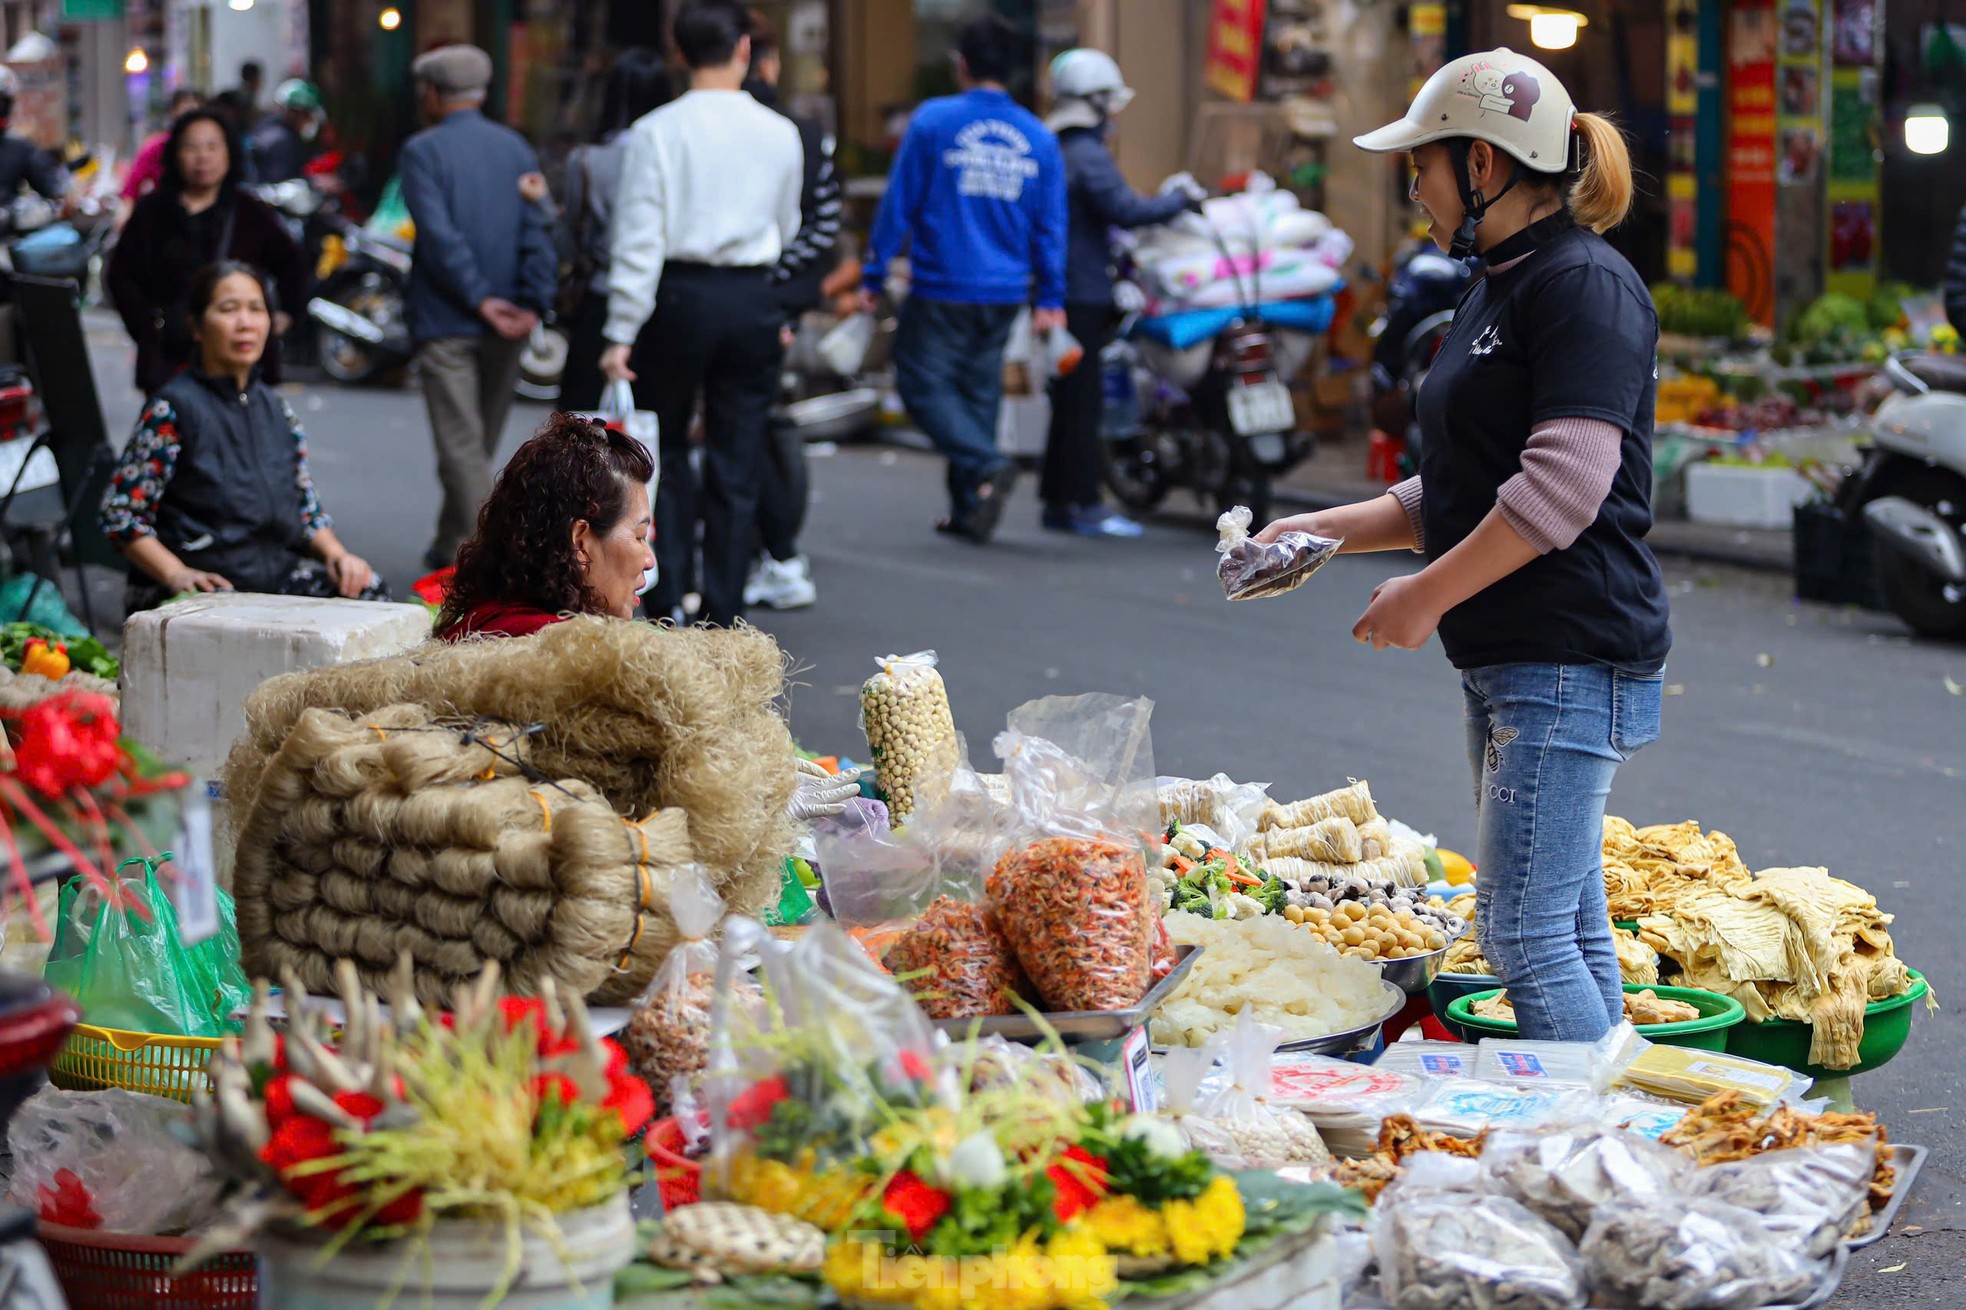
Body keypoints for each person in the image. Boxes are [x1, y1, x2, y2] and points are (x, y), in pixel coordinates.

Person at [1258, 49, 1669, 1043]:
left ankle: (1588, 1149)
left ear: (1481, 164)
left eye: (1423, 165)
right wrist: (1321, 530)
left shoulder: (1583, 286)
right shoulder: (1493, 283)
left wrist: (1424, 593)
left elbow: (1562, 487)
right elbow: (1458, 484)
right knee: (1560, 921)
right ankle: (1616, 1137)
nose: (1413, 186)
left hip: (1568, 652)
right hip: (1513, 657)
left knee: (1519, 931)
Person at [601, 0, 803, 628]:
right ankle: (725, 610)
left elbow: (639, 238)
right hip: (752, 298)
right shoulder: (781, 131)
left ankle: (666, 599)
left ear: (680, 54)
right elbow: (787, 224)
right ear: (745, 49)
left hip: (679, 298)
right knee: (736, 456)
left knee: (665, 455)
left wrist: (619, 331)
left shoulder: (660, 130)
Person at [860, 15, 1067, 544]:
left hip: (942, 284)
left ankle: (986, 462)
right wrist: (1050, 295)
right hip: (1006, 291)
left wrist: (874, 270)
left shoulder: (933, 121)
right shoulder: (1039, 137)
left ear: (962, 65)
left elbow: (898, 202)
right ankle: (968, 510)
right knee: (978, 393)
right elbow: (1050, 227)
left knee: (919, 382)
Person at [100, 261, 387, 614]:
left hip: (274, 581)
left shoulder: (278, 411)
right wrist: (176, 573)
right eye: (228, 309)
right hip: (207, 587)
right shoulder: (171, 410)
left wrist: (339, 556)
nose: (245, 323)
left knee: (369, 595)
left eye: (256, 309)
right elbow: (122, 514)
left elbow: (304, 508)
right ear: (197, 326)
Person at [400, 43, 558, 572]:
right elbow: (538, 228)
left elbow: (439, 237)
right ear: (484, 92)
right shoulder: (516, 149)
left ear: (432, 93)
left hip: (449, 318)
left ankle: (486, 566)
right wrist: (530, 303)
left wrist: (479, 299)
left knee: (463, 448)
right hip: (510, 319)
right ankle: (451, 543)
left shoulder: (422, 151)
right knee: (476, 445)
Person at [1041, 48, 1197, 539]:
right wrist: (1180, 200)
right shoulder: (1086, 154)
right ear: (1098, 101)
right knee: (1082, 402)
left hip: (1062, 287)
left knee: (1068, 401)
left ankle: (1059, 501)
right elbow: (1126, 208)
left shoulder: (1056, 147)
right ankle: (1084, 503)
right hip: (1082, 291)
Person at [743, 7, 842, 611]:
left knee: (741, 432)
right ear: (770, 61)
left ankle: (772, 553)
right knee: (762, 423)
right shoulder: (801, 132)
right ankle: (776, 552)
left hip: (716, 301)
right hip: (776, 303)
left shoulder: (708, 128)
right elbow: (822, 224)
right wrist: (779, 287)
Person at [107, 109, 306, 395]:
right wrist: (147, 332)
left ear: (229, 153)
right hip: (170, 361)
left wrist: (286, 314)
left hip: (239, 366)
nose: (203, 157)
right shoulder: (152, 212)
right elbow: (121, 277)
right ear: (176, 153)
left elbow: (291, 263)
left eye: (213, 146)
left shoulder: (250, 211)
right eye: (192, 147)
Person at [435, 413, 656, 640]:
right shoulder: (570, 656)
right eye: (640, 536)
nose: (650, 561)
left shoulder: (482, 622)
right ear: (580, 541)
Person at [556, 49, 674, 414]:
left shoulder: (588, 161)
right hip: (668, 295)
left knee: (583, 423)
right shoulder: (677, 155)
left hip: (602, 296)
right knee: (656, 419)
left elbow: (570, 238)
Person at [118, 88, 202, 225]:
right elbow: (132, 186)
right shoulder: (156, 148)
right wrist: (124, 215)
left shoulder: (211, 151)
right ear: (173, 112)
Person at [0, 68, 68, 213]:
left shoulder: (19, 149)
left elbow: (50, 187)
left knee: (66, 234)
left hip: (8, 230)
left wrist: (62, 174)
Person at [249, 79, 325, 184]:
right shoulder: (281, 140)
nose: (309, 120)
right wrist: (314, 182)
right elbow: (282, 182)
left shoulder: (268, 127)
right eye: (307, 114)